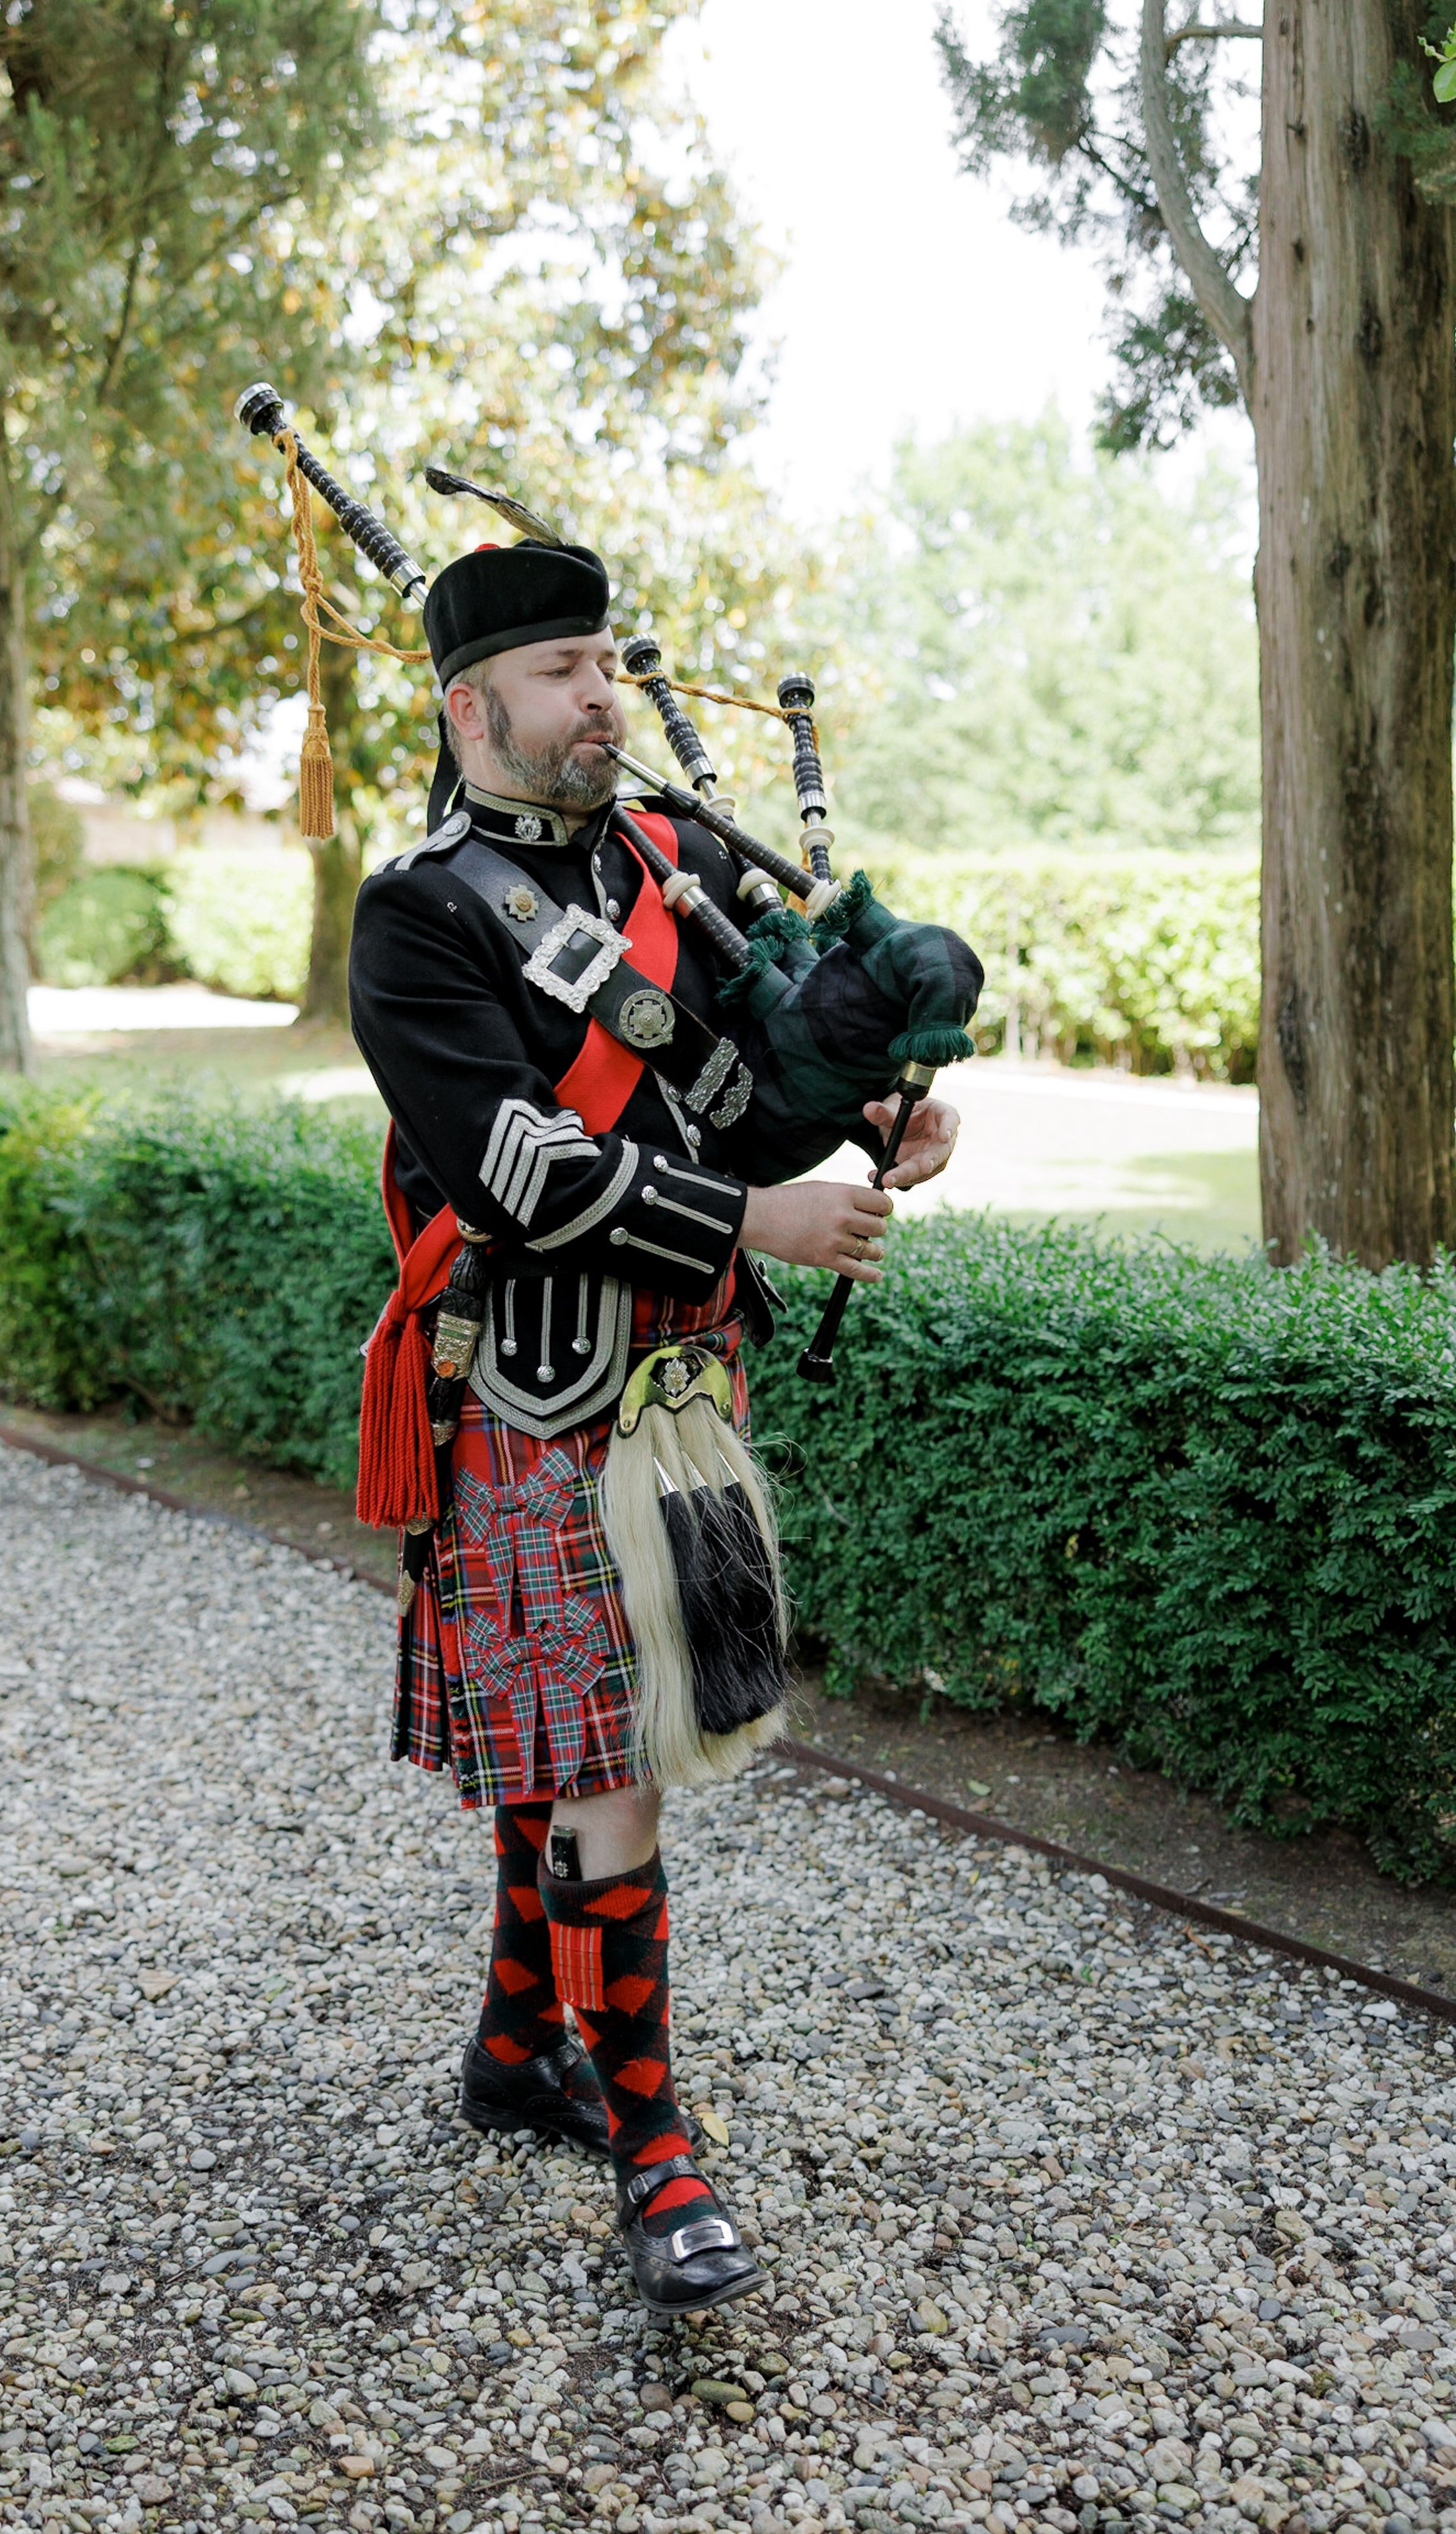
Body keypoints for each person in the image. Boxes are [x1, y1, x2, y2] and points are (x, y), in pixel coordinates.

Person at [347, 538, 970, 2317]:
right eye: (561, 672)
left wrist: (875, 1114)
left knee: (581, 1734)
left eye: (608, 664)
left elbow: (756, 1091)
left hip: (683, 1383)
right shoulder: (420, 913)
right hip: (531, 1385)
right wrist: (755, 1219)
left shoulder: (677, 868)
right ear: (474, 709)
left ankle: (510, 2043)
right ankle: (656, 2147)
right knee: (604, 1751)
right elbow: (519, 1169)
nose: (602, 695)